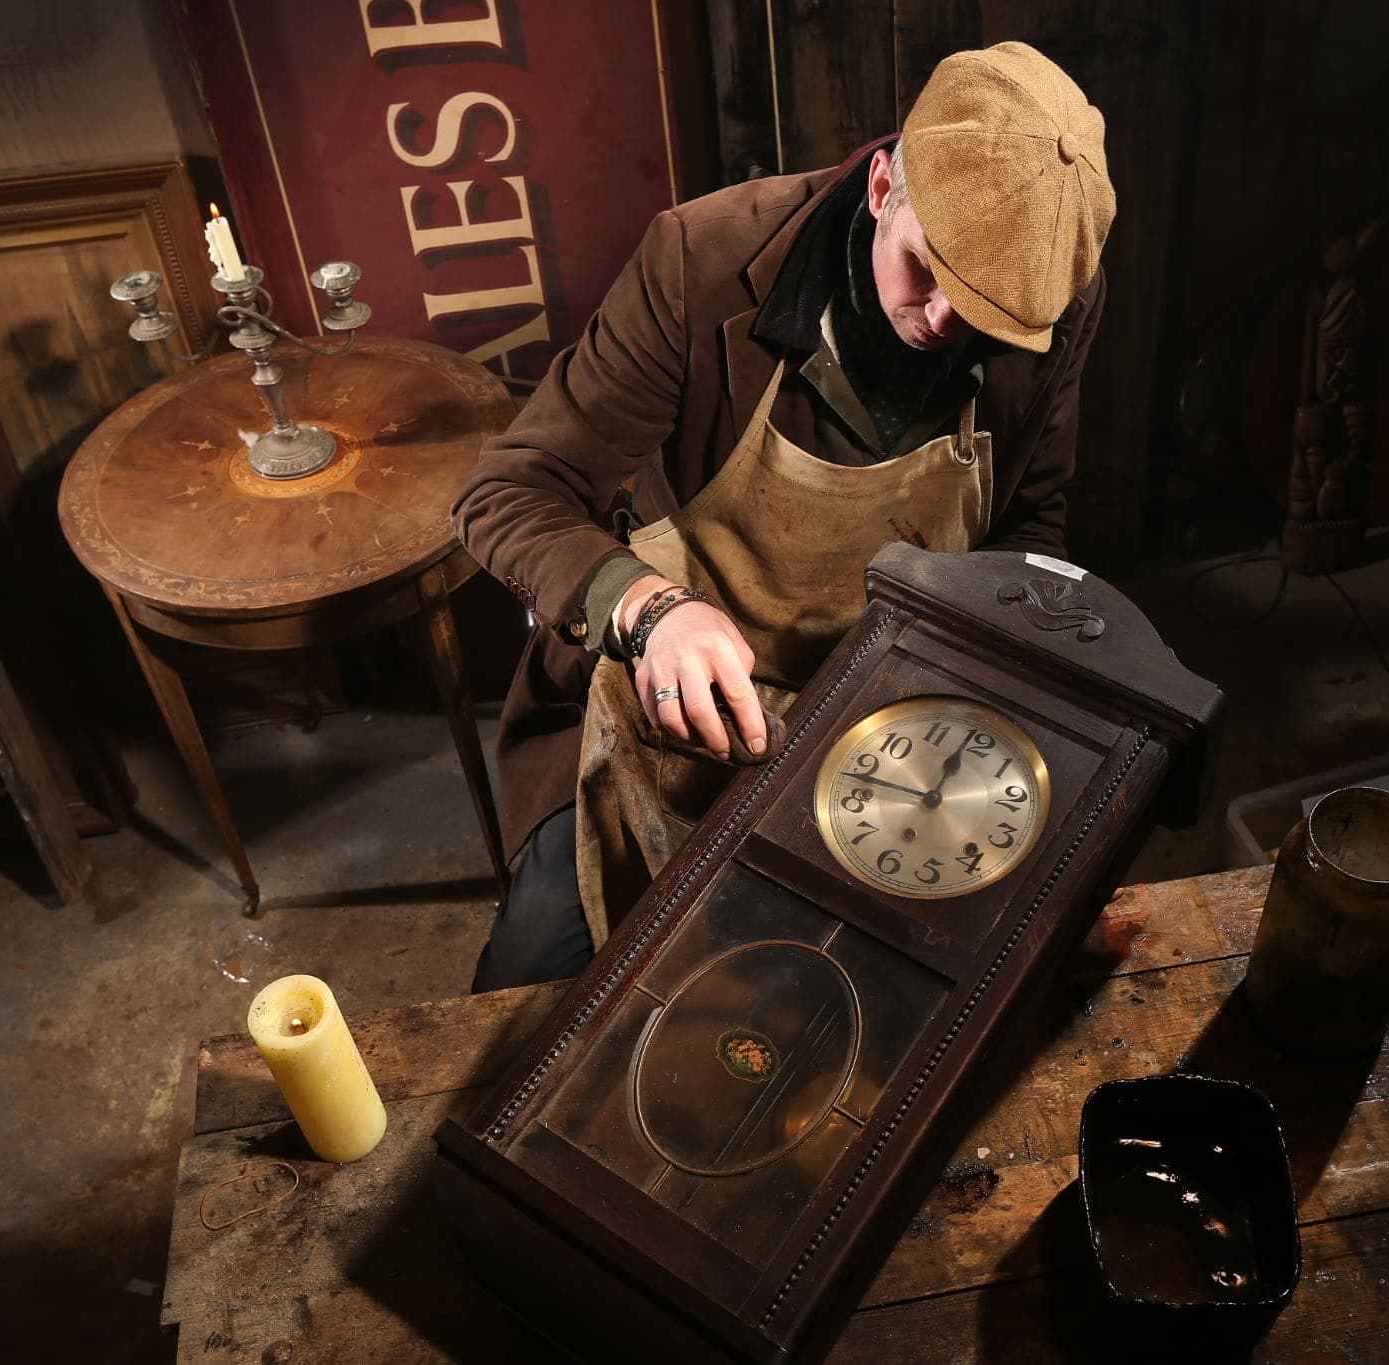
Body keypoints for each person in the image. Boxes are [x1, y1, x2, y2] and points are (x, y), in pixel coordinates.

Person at [452, 41, 1116, 990]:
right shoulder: (704, 261)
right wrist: (648, 609)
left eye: (988, 318)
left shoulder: (1053, 297)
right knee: (529, 996)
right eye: (926, 273)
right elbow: (508, 492)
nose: (942, 324)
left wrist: (990, 696)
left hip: (897, 718)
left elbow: (1030, 529)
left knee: (911, 1002)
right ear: (884, 186)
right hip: (669, 698)